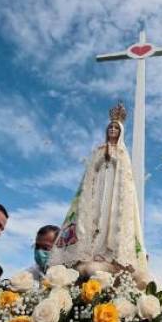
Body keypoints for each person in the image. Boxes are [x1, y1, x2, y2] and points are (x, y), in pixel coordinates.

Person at [49, 102, 147, 276]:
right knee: (95, 216)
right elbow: (90, 172)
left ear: (121, 132)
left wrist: (115, 159)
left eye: (116, 129)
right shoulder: (99, 150)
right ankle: (93, 249)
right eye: (110, 128)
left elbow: (126, 178)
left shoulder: (123, 152)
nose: (112, 131)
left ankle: (109, 252)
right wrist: (102, 160)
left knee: (109, 218)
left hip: (114, 191)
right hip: (99, 186)